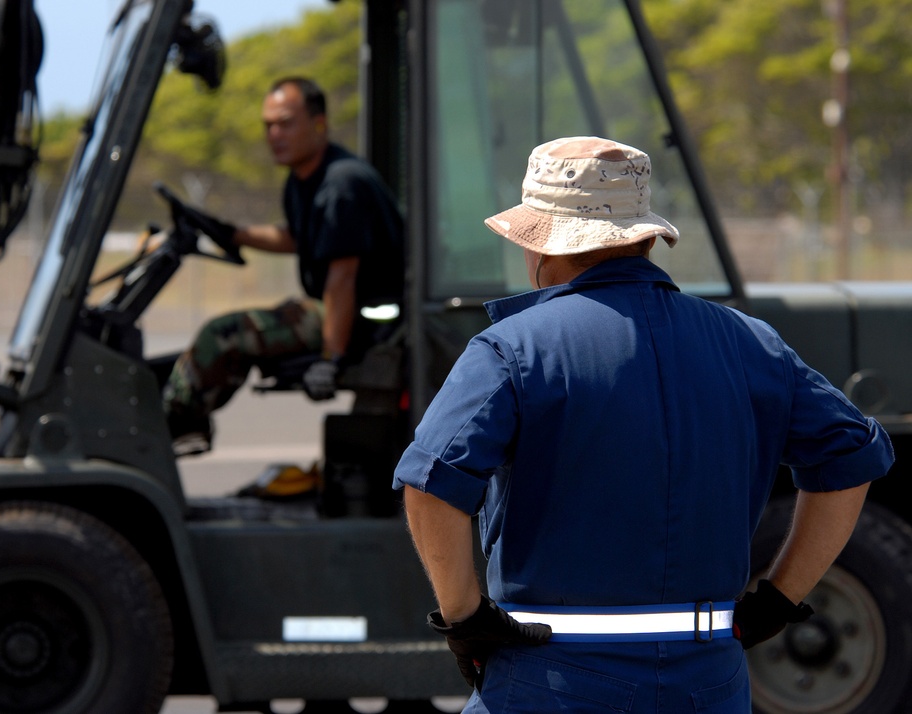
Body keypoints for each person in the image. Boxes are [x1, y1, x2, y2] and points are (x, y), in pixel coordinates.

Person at [392, 136, 894, 712]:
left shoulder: (511, 348)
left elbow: (430, 484)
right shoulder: (752, 343)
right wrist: (780, 598)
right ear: (647, 237)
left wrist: (465, 618)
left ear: (544, 247)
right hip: (709, 678)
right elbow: (852, 460)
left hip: (552, 676)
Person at [164, 76, 405, 455]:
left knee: (222, 335)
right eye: (268, 125)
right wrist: (232, 233)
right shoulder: (304, 178)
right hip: (341, 308)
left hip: (370, 320)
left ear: (319, 123)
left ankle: (177, 425)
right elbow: (298, 238)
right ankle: (182, 415)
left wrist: (331, 359)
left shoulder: (342, 185)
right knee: (234, 336)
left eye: (286, 123)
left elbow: (342, 277)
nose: (274, 134)